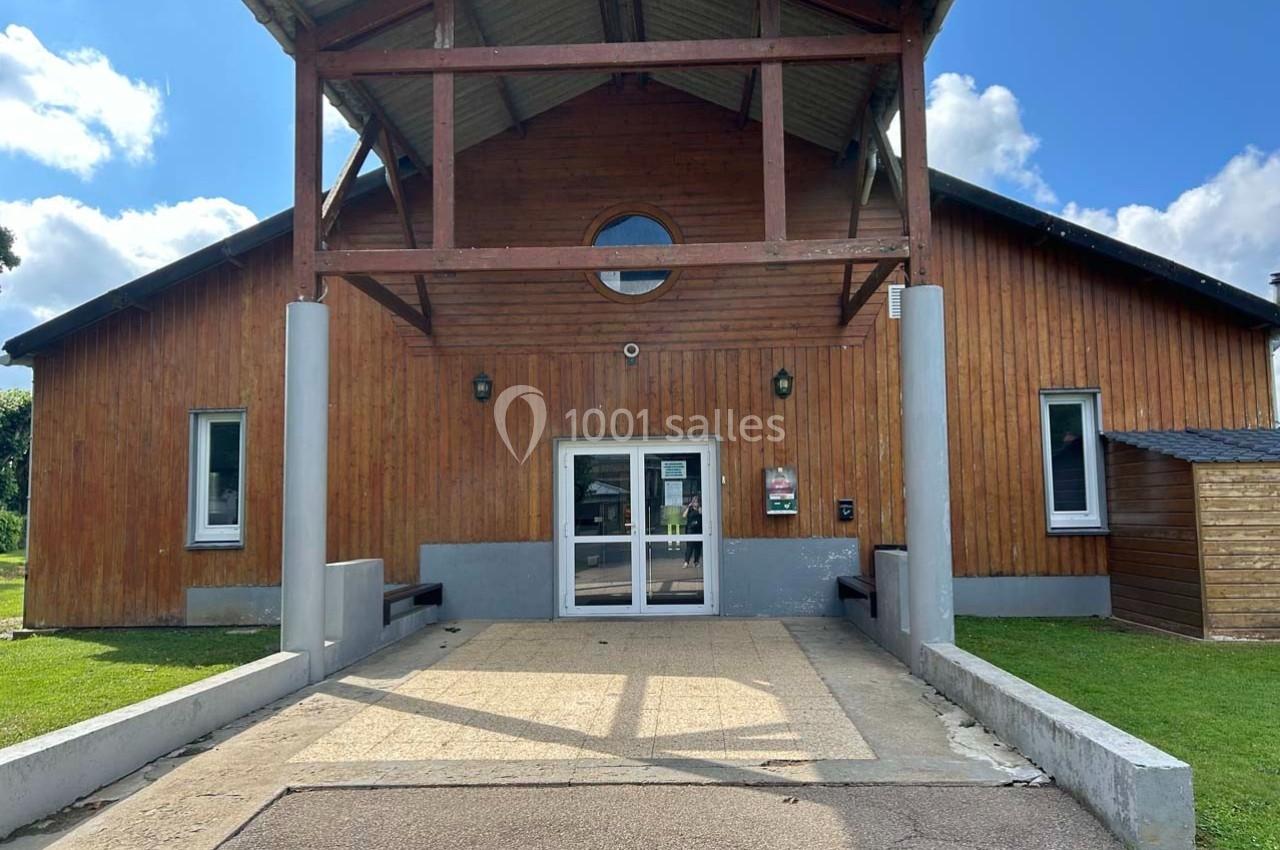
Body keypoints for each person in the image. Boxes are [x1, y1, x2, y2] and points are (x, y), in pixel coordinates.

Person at [682, 495, 703, 568]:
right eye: (694, 502)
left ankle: (696, 562)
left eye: (697, 502)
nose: (695, 504)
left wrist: (699, 509)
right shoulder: (690, 509)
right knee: (689, 546)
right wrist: (688, 507)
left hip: (699, 529)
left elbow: (702, 514)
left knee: (698, 547)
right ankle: (686, 562)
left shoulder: (700, 509)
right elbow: (684, 516)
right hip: (690, 529)